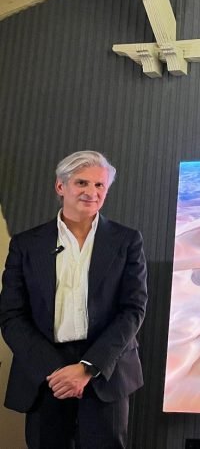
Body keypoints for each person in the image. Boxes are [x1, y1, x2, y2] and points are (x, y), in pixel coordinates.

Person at [0, 151, 148, 449]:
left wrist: (88, 367)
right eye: (82, 182)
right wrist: (56, 371)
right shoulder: (26, 244)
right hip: (45, 372)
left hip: (105, 369)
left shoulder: (127, 240)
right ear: (61, 186)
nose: (91, 192)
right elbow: (11, 315)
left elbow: (132, 310)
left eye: (99, 185)